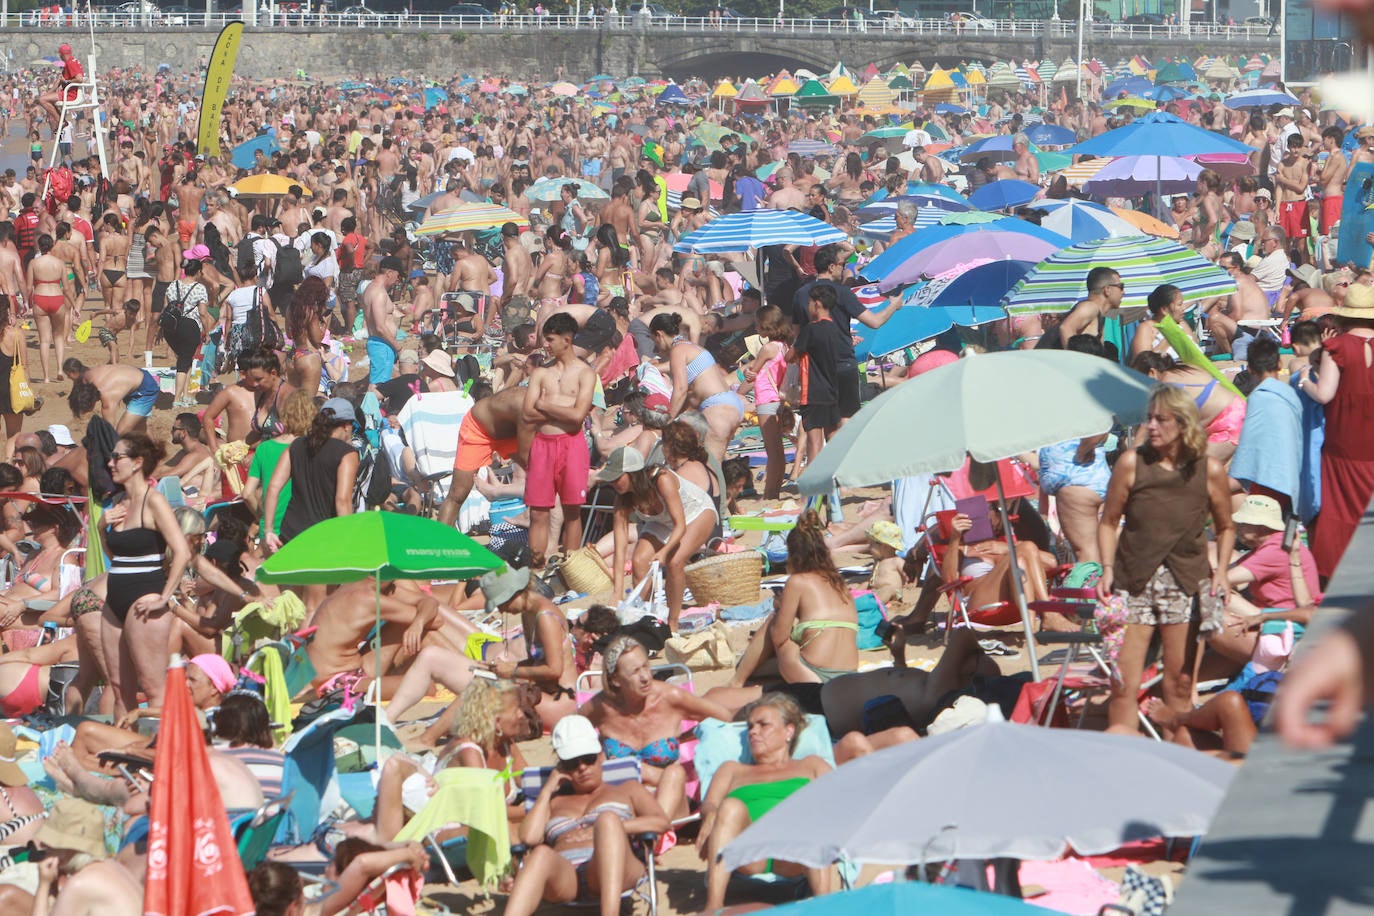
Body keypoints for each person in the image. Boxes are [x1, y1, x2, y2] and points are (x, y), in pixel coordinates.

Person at [1096, 385, 1234, 741]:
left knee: (1180, 682)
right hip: (1134, 581)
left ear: (1183, 423)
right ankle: (1122, 750)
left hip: (1186, 582)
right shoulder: (1132, 463)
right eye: (1149, 418)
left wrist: (1221, 573)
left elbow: (1226, 526)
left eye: (1161, 419)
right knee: (1124, 680)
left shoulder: (1209, 470)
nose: (1151, 426)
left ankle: (1178, 757)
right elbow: (1109, 522)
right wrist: (1108, 569)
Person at [504, 714, 670, 916]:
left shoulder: (628, 789)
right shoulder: (554, 801)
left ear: (600, 756)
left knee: (607, 820)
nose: (582, 767)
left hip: (615, 869)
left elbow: (661, 822)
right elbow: (529, 837)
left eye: (589, 759)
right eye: (572, 763)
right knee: (539, 854)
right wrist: (547, 791)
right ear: (562, 766)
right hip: (567, 878)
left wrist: (606, 828)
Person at [699, 693, 832, 911]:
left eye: (763, 725)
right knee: (731, 807)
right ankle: (713, 908)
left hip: (794, 853)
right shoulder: (732, 770)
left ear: (789, 731)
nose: (753, 731)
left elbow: (842, 799)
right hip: (749, 853)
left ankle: (826, 908)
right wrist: (711, 815)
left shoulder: (811, 766)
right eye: (751, 726)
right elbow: (710, 804)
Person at [96, 433, 194, 714]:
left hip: (145, 596)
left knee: (153, 690)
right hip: (116, 598)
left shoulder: (155, 501)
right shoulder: (120, 503)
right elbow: (117, 558)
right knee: (118, 689)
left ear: (138, 463)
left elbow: (182, 551)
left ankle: (160, 755)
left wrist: (165, 598)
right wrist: (103, 528)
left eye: (117, 457)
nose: (110, 462)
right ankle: (123, 753)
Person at [581, 635, 730, 819]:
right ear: (615, 680)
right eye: (635, 672)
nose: (645, 677)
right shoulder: (601, 707)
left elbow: (724, 718)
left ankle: (649, 833)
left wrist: (687, 737)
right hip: (621, 802)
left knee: (674, 773)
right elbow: (567, 735)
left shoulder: (670, 698)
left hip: (670, 802)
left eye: (646, 666)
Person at [376, 677, 530, 840]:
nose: (521, 715)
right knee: (510, 831)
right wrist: (530, 809)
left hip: (481, 829)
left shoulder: (505, 744)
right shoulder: (469, 751)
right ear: (497, 722)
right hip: (443, 830)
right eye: (515, 710)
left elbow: (531, 782)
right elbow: (487, 812)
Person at [1296, 283, 1374, 582]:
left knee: (1341, 507)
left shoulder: (1336, 347)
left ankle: (1339, 572)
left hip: (1344, 440)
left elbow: (1324, 394)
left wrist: (1305, 378)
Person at [521, 312, 595, 568]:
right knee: (538, 512)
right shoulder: (541, 373)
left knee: (572, 510)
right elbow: (527, 413)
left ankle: (572, 569)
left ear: (567, 339)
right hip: (542, 445)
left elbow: (577, 417)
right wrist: (556, 407)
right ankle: (536, 569)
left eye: (550, 339)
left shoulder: (585, 373)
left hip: (571, 444)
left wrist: (544, 403)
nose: (545, 344)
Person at [264, 397, 358, 552]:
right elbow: (342, 501)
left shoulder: (296, 445)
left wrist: (269, 530)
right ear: (346, 425)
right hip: (325, 537)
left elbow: (273, 488)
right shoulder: (347, 453)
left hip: (291, 533)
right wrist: (346, 541)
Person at [649, 311, 743, 461]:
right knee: (717, 466)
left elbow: (680, 390)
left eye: (654, 340)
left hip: (717, 408)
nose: (656, 346)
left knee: (712, 469)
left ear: (659, 334)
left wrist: (667, 422)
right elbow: (689, 395)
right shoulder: (692, 347)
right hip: (732, 405)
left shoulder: (678, 350)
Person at [437, 385, 524, 526]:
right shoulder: (526, 404)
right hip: (478, 428)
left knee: (539, 480)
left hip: (512, 432)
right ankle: (438, 545)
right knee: (458, 493)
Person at [245, 389, 317, 545]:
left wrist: (262, 515)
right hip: (300, 530)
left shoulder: (264, 448)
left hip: (269, 531)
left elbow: (247, 494)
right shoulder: (310, 448)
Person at [162, 254, 213, 408]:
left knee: (186, 359)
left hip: (170, 328)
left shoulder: (172, 285)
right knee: (183, 363)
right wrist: (207, 332)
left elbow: (165, 308)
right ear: (197, 272)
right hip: (189, 327)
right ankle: (177, 399)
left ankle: (186, 395)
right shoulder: (199, 289)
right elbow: (203, 313)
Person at [62, 358, 160, 435]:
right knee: (140, 427)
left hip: (144, 389)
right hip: (133, 378)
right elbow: (78, 388)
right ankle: (155, 454)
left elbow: (109, 428)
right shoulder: (88, 375)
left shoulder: (106, 394)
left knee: (121, 432)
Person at [1046, 266, 1124, 345]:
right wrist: (1074, 357)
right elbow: (1065, 328)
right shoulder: (1089, 308)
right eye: (1121, 287)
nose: (1123, 292)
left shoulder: (1099, 316)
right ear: (1107, 290)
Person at [364, 255, 405, 385]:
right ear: (389, 273)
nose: (397, 280)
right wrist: (398, 348)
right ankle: (371, 406)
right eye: (397, 276)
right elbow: (380, 327)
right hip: (382, 345)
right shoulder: (379, 293)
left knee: (378, 383)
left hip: (378, 343)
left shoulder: (370, 288)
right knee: (378, 387)